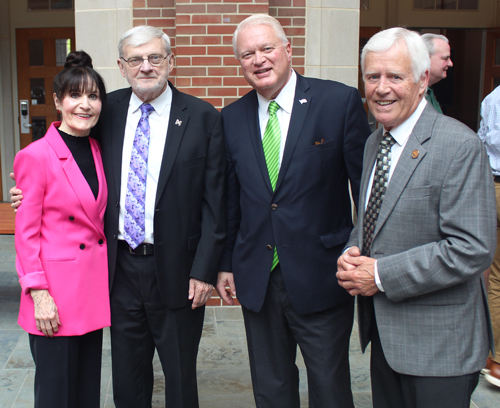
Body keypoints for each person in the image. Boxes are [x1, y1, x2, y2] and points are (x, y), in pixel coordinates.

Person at [11, 26, 226, 408]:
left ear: (170, 62)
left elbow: (217, 202)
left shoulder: (203, 117)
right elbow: (67, 160)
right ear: (122, 67)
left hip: (179, 272)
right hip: (118, 271)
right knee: (128, 379)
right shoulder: (104, 111)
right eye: (135, 60)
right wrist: (26, 194)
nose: (146, 67)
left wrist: (206, 269)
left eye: (155, 57)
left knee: (180, 379)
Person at [216, 14, 370, 408]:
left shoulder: (338, 101)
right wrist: (227, 263)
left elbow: (364, 189)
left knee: (330, 388)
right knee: (271, 389)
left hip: (323, 274)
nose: (258, 60)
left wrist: (360, 251)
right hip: (258, 278)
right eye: (247, 54)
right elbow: (233, 200)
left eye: (266, 49)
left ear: (287, 49)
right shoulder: (231, 118)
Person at [337, 27, 496, 408]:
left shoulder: (459, 146)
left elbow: (471, 249)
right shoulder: (375, 141)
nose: (381, 88)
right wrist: (352, 250)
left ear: (423, 80)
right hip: (387, 341)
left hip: (440, 347)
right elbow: (373, 217)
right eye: (373, 76)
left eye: (395, 76)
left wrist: (377, 274)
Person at [14, 51, 109, 408]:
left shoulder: (99, 149)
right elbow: (25, 234)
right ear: (57, 101)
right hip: (53, 298)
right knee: (56, 396)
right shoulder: (35, 155)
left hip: (90, 293)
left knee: (86, 393)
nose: (85, 105)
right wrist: (38, 294)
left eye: (93, 96)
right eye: (75, 96)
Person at [478, 85, 500, 388]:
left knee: (494, 277)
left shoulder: (493, 98)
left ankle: (495, 360)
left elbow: (485, 142)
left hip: (494, 184)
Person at [421, 33, 453, 113]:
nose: (450, 64)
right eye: (445, 58)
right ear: (426, 58)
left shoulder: (429, 90)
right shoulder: (411, 93)